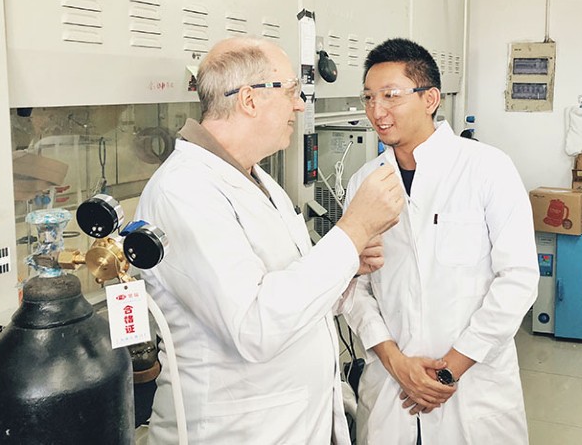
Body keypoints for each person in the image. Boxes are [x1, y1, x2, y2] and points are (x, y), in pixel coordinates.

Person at [135, 36, 405, 444]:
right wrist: (351, 233)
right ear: (249, 99)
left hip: (291, 423)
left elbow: (288, 289)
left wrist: (346, 266)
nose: (299, 105)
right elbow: (254, 327)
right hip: (236, 432)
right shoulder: (183, 190)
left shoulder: (255, 176)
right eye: (292, 91)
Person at [343, 38, 539, 444]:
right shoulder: (364, 182)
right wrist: (396, 363)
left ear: (430, 98)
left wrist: (448, 370)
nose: (377, 111)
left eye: (391, 95)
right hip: (392, 390)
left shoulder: (488, 169)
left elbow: (518, 279)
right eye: (369, 97)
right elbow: (356, 286)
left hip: (472, 391)